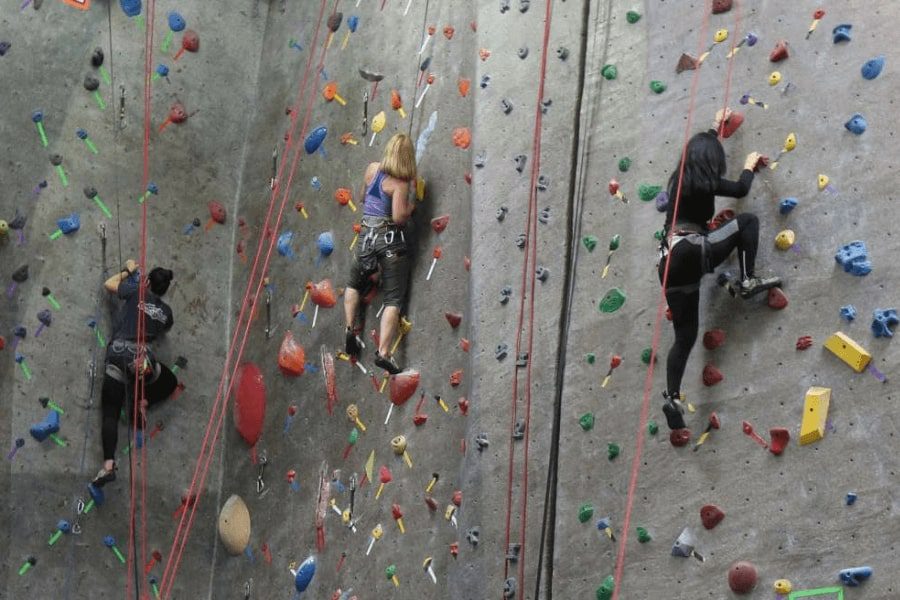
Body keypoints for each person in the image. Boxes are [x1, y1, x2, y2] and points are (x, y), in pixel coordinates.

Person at [657, 108, 781, 432]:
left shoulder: (679, 179)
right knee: (748, 222)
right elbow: (741, 189)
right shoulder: (706, 180)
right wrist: (749, 165)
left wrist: (714, 128)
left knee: (684, 337)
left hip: (667, 263)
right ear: (710, 161)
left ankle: (671, 397)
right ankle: (748, 278)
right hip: (692, 249)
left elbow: (700, 151)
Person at [92, 262, 177, 487]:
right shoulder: (167, 314)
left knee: (110, 411)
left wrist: (128, 271)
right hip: (141, 361)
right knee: (169, 380)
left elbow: (109, 284)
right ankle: (142, 401)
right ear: (164, 290)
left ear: (147, 281)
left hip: (119, 352)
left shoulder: (136, 290)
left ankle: (108, 466)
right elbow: (164, 331)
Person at [343, 133, 417, 374]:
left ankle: (349, 327)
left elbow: (363, 197)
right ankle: (384, 352)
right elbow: (399, 218)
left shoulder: (372, 169)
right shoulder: (400, 184)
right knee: (393, 299)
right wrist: (411, 207)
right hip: (389, 241)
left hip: (367, 235)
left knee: (354, 283)